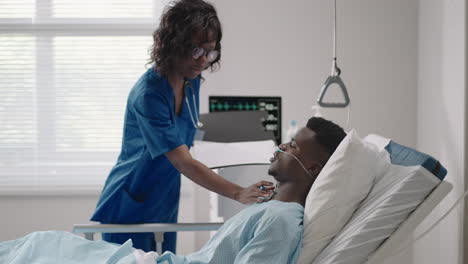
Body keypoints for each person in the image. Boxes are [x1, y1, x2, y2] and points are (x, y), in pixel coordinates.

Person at [0, 117, 346, 264]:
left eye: (294, 147)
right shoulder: (272, 209)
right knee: (41, 244)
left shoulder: (284, 221)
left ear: (314, 168)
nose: (281, 146)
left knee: (39, 250)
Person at [90, 0, 274, 254]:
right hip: (130, 200)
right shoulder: (149, 94)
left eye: (210, 52)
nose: (203, 61)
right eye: (196, 50)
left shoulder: (191, 80)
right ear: (173, 44)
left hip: (164, 197)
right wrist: (238, 192)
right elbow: (183, 162)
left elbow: (186, 128)